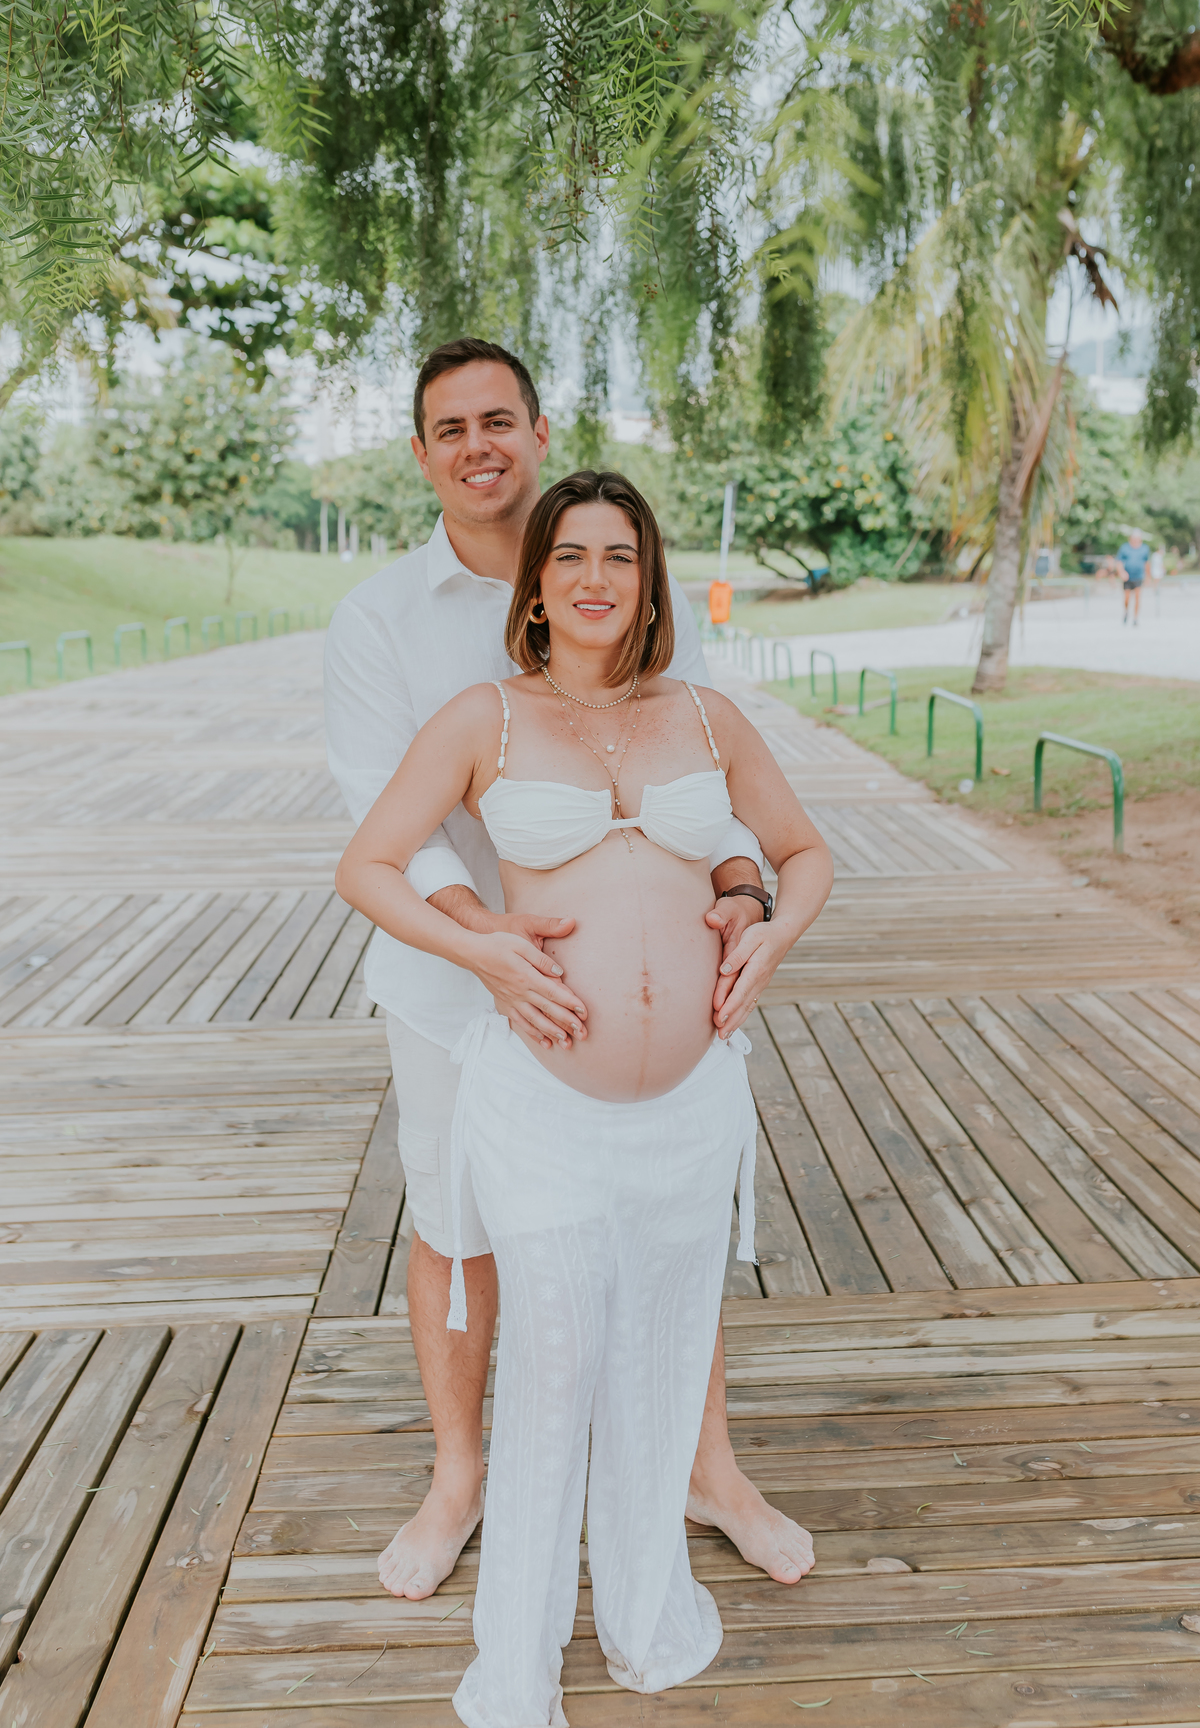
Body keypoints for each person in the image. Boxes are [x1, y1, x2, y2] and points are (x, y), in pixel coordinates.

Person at [336, 468, 833, 1727]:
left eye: (620, 555)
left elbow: (801, 851)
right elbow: (370, 863)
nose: (596, 577)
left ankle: (646, 1609)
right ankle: (519, 1660)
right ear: (537, 586)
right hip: (544, 1106)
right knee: (554, 1363)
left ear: (649, 580)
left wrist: (769, 930)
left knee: (663, 1350)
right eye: (570, 556)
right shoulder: (486, 718)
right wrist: (483, 949)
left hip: (692, 1105)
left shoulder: (707, 716)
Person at [1116, 526, 1150, 625]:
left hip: (1139, 576)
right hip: (1127, 577)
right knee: (1127, 598)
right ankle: (1126, 611)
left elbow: (1147, 563)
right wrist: (1121, 572)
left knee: (1137, 598)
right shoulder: (1125, 548)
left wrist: (1148, 576)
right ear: (1130, 538)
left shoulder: (1144, 548)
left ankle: (1135, 618)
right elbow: (1119, 562)